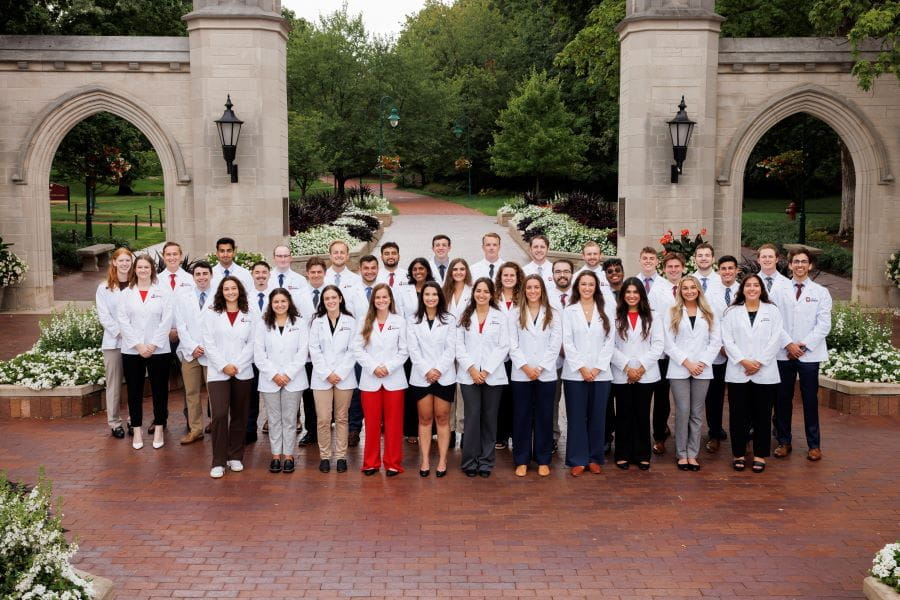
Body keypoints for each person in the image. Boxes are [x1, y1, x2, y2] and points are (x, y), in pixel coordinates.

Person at [772, 247, 832, 462]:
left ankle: (814, 445)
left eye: (803, 262)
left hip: (809, 356)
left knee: (809, 400)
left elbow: (823, 325)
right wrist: (789, 344)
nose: (799, 265)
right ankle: (784, 441)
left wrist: (803, 346)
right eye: (796, 261)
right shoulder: (778, 291)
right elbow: (774, 321)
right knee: (783, 400)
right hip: (784, 353)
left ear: (810, 265)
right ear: (789, 265)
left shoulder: (821, 292)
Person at [721, 274, 783, 473]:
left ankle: (759, 455)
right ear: (742, 289)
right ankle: (738, 454)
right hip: (739, 370)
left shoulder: (772, 311)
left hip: (764, 372)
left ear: (761, 289)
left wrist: (759, 362)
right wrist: (743, 361)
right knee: (738, 415)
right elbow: (727, 340)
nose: (752, 289)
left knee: (762, 416)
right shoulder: (732, 312)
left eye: (756, 285)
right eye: (748, 285)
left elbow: (776, 339)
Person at [663, 276, 720, 471]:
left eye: (692, 288)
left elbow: (715, 341)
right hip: (680, 368)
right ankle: (681, 453)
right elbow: (668, 342)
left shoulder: (709, 312)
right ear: (680, 291)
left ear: (698, 290)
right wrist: (687, 363)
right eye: (685, 288)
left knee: (696, 413)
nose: (689, 291)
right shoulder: (673, 311)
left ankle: (692, 453)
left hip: (702, 369)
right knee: (683, 411)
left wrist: (702, 363)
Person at [116, 254, 173, 451]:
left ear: (152, 270)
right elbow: (122, 321)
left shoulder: (163, 291)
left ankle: (158, 428)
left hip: (159, 350)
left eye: (146, 267)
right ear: (135, 269)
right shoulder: (126, 294)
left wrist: (154, 344)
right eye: (139, 267)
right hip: (132, 351)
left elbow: (167, 320)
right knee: (134, 391)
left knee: (159, 391)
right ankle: (137, 429)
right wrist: (138, 345)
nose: (142, 270)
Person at [561, 271, 614, 477]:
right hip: (575, 374)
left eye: (590, 284)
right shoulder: (569, 311)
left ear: (596, 287)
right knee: (576, 417)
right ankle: (577, 459)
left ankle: (594, 458)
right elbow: (567, 341)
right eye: (583, 284)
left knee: (597, 417)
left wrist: (597, 368)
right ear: (577, 287)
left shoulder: (606, 310)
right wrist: (582, 368)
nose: (587, 288)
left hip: (601, 374)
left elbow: (610, 341)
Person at [455, 277, 510, 478]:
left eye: (486, 291)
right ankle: (469, 461)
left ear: (492, 294)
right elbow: (458, 345)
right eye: (478, 291)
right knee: (471, 419)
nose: (481, 294)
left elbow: (504, 345)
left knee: (489, 419)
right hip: (469, 376)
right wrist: (471, 369)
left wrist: (485, 370)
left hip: (492, 376)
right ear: (474, 293)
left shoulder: (500, 317)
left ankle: (486, 462)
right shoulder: (464, 316)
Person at [202, 276, 256, 478]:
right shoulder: (212, 314)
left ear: (240, 290)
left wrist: (238, 365)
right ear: (221, 292)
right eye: (226, 289)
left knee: (240, 415)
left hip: (243, 371)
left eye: (234, 288)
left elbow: (253, 342)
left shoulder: (250, 313)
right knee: (220, 414)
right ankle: (218, 461)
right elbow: (208, 342)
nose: (231, 292)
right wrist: (224, 365)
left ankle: (235, 456)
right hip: (218, 372)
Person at [353, 283, 409, 476]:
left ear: (390, 299)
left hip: (394, 379)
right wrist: (373, 367)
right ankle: (370, 463)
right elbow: (357, 349)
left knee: (394, 424)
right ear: (373, 300)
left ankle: (393, 463)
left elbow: (404, 350)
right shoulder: (364, 321)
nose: (381, 300)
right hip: (370, 379)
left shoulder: (400, 321)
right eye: (378, 297)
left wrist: (388, 367)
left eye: (385, 297)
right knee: (371, 423)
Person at [509, 274, 561, 477]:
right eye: (529, 287)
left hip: (545, 374)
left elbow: (555, 344)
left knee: (544, 416)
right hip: (521, 374)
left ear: (542, 290)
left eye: (536, 288)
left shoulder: (553, 313)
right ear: (524, 290)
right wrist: (525, 367)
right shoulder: (514, 314)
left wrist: (540, 367)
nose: (532, 291)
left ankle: (543, 459)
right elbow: (512, 344)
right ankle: (521, 459)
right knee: (521, 416)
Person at [611, 278, 664, 471]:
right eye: (628, 292)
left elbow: (658, 345)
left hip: (646, 374)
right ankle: (623, 453)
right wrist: (627, 367)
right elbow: (610, 346)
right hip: (622, 373)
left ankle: (642, 454)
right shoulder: (614, 316)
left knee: (642, 414)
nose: (632, 296)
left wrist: (640, 368)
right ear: (623, 295)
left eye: (635, 292)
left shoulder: (654, 316)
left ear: (641, 294)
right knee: (623, 414)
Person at [254, 288, 308, 474]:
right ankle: (276, 455)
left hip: (293, 379)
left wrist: (287, 374)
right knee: (274, 419)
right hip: (270, 380)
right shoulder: (263, 324)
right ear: (271, 304)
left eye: (283, 301)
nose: (280, 305)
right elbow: (259, 354)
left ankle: (289, 455)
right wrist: (275, 375)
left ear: (289, 302)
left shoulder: (300, 323)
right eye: (276, 302)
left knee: (289, 419)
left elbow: (303, 352)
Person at [407, 281, 457, 477]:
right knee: (425, 419)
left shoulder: (449, 319)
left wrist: (438, 369)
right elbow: (413, 349)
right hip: (421, 377)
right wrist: (427, 370)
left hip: (444, 376)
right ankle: (425, 460)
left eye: (434, 294)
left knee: (442, 418)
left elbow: (450, 348)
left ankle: (443, 460)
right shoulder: (412, 320)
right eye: (427, 294)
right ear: (422, 297)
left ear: (440, 297)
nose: (430, 298)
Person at [309, 285, 358, 473]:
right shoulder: (317, 322)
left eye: (333, 297)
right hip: (322, 377)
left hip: (344, 377)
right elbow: (314, 349)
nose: (330, 301)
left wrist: (340, 372)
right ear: (323, 301)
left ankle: (341, 457)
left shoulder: (350, 322)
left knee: (342, 418)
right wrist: (327, 373)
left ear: (340, 299)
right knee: (323, 419)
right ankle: (325, 456)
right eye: (326, 298)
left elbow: (353, 349)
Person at [648, 252, 686, 455]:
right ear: (664, 269)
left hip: (686, 352)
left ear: (683, 267)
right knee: (662, 397)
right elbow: (653, 320)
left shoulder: (690, 287)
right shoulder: (657, 290)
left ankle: (685, 435)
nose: (673, 270)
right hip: (664, 352)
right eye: (669, 267)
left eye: (676, 266)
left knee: (683, 398)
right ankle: (659, 436)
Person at [173, 260, 214, 445]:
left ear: (211, 275)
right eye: (198, 274)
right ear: (193, 277)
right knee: (191, 392)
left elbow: (219, 326)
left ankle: (217, 425)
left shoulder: (219, 296)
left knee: (215, 392)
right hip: (190, 352)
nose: (201, 277)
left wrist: (205, 347)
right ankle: (195, 429)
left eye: (205, 273)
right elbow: (181, 326)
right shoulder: (183, 297)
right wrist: (192, 347)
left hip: (211, 353)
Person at [95, 247, 133, 439]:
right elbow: (105, 317)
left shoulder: (138, 285)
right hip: (114, 342)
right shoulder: (104, 288)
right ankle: (115, 422)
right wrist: (123, 333)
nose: (125, 264)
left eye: (128, 260)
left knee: (134, 383)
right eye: (122, 260)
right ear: (114, 262)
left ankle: (134, 420)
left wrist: (134, 336)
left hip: (135, 344)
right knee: (114, 384)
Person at [704, 255, 740, 453]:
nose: (727, 272)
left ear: (737, 270)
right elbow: (709, 320)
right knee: (714, 396)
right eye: (723, 268)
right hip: (718, 352)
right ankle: (714, 432)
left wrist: (733, 347)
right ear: (718, 271)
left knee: (737, 396)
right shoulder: (710, 292)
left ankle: (741, 433)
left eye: (730, 268)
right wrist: (720, 346)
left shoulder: (745, 290)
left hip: (738, 352)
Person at [493, 261, 522, 450]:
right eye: (505, 275)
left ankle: (515, 434)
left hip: (519, 357)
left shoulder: (524, 298)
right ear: (500, 278)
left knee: (517, 398)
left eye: (512, 275)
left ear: (518, 278)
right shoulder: (493, 298)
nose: (509, 278)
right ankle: (500, 435)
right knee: (500, 398)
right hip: (499, 357)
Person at [299, 258, 328, 447]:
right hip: (306, 355)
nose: (316, 275)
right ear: (307, 274)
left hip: (327, 354)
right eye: (313, 272)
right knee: (308, 395)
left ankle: (325, 428)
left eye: (319, 272)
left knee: (326, 395)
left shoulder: (331, 293)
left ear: (324, 273)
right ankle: (311, 430)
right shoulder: (299, 295)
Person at [548, 259, 574, 453]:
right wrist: (559, 348)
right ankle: (552, 435)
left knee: (575, 402)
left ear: (572, 274)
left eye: (566, 271)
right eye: (558, 272)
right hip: (554, 360)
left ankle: (576, 437)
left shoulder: (580, 294)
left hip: (576, 360)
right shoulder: (546, 297)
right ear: (552, 274)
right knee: (552, 400)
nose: (562, 275)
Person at [245, 260, 271, 443]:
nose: (261, 275)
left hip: (273, 354)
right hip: (251, 354)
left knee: (271, 392)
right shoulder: (244, 298)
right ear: (252, 275)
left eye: (264, 272)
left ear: (269, 274)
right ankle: (249, 428)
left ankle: (272, 423)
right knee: (251, 394)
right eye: (257, 272)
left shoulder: (277, 296)